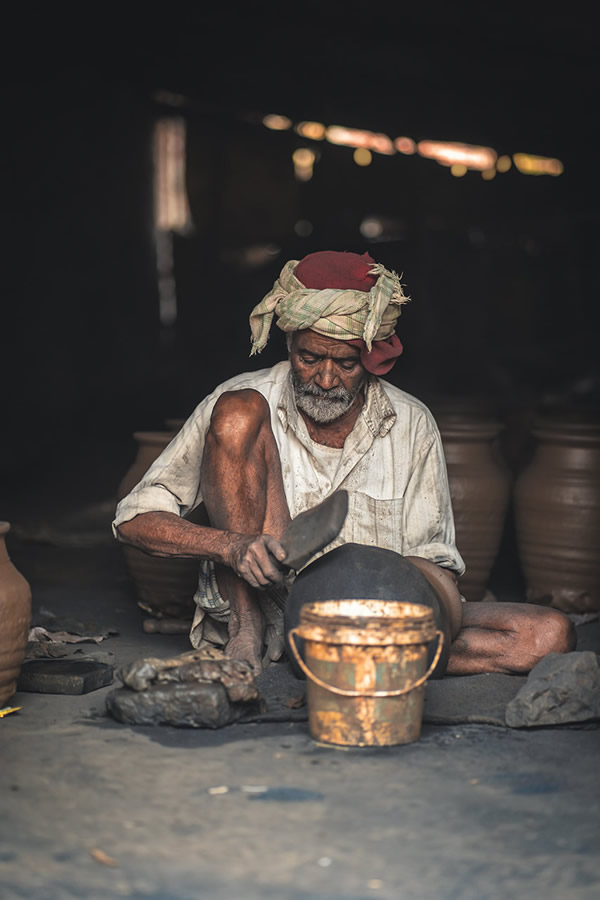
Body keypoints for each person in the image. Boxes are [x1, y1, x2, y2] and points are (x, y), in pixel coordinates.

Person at [113, 250, 575, 674]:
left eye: (347, 364)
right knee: (237, 410)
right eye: (310, 358)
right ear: (289, 342)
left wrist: (378, 609)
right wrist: (231, 546)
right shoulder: (244, 401)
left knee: (548, 635)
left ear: (371, 359)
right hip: (269, 604)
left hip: (378, 617)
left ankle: (341, 656)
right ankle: (249, 630)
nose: (326, 378)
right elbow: (134, 522)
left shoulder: (411, 422)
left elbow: (436, 567)